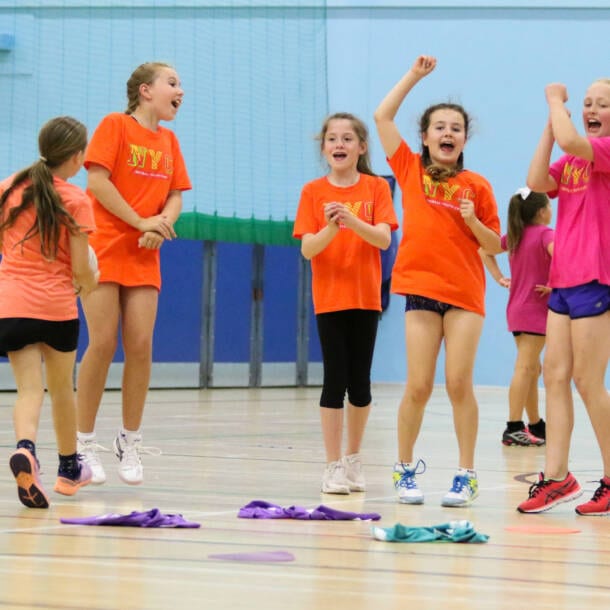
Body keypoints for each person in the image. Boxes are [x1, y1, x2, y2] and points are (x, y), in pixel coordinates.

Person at [374, 56, 500, 507]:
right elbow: (382, 116)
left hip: (465, 295)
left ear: (465, 138)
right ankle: (405, 470)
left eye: (456, 128)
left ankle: (465, 475)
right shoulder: (410, 170)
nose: (448, 133)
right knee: (418, 386)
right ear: (425, 137)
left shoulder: (478, 186)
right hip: (421, 291)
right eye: (439, 127)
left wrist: (473, 222)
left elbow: (496, 243)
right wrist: (414, 76)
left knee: (458, 384)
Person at [76, 62, 192, 486]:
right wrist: (140, 221)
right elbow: (98, 183)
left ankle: (130, 439)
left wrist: (160, 223)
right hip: (105, 246)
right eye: (173, 83)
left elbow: (176, 194)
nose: (181, 90)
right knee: (103, 343)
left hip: (145, 252)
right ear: (146, 90)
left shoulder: (170, 140)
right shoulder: (115, 125)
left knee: (140, 344)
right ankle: (83, 444)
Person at [517, 79, 610, 515]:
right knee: (553, 376)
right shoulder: (571, 158)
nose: (592, 108)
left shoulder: (605, 151)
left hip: (596, 278)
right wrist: (550, 126)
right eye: (588, 103)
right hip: (563, 282)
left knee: (588, 382)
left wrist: (555, 101)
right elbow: (535, 180)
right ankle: (558, 478)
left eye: (603, 104)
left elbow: (575, 136)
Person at [293, 112, 398, 494]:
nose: (339, 144)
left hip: (366, 298)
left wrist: (353, 222)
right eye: (332, 139)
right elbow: (308, 249)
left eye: (347, 139)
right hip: (330, 299)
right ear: (324, 147)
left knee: (361, 384)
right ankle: (332, 465)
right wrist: (332, 227)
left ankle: (354, 458)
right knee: (333, 381)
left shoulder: (375, 189)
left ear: (361, 147)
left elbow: (384, 240)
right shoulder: (312, 192)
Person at [0, 116, 98, 508]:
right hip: (56, 307)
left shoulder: (8, 187)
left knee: (28, 389)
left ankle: (26, 449)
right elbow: (79, 269)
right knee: (61, 389)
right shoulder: (75, 199)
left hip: (12, 304)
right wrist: (89, 282)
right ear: (76, 157)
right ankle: (69, 468)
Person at [480, 188, 554, 447]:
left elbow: (483, 249)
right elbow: (563, 257)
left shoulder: (514, 235)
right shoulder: (546, 234)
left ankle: (535, 424)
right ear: (542, 211)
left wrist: (499, 276)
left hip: (517, 309)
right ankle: (513, 426)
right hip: (536, 309)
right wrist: (556, 283)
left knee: (532, 368)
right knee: (526, 368)